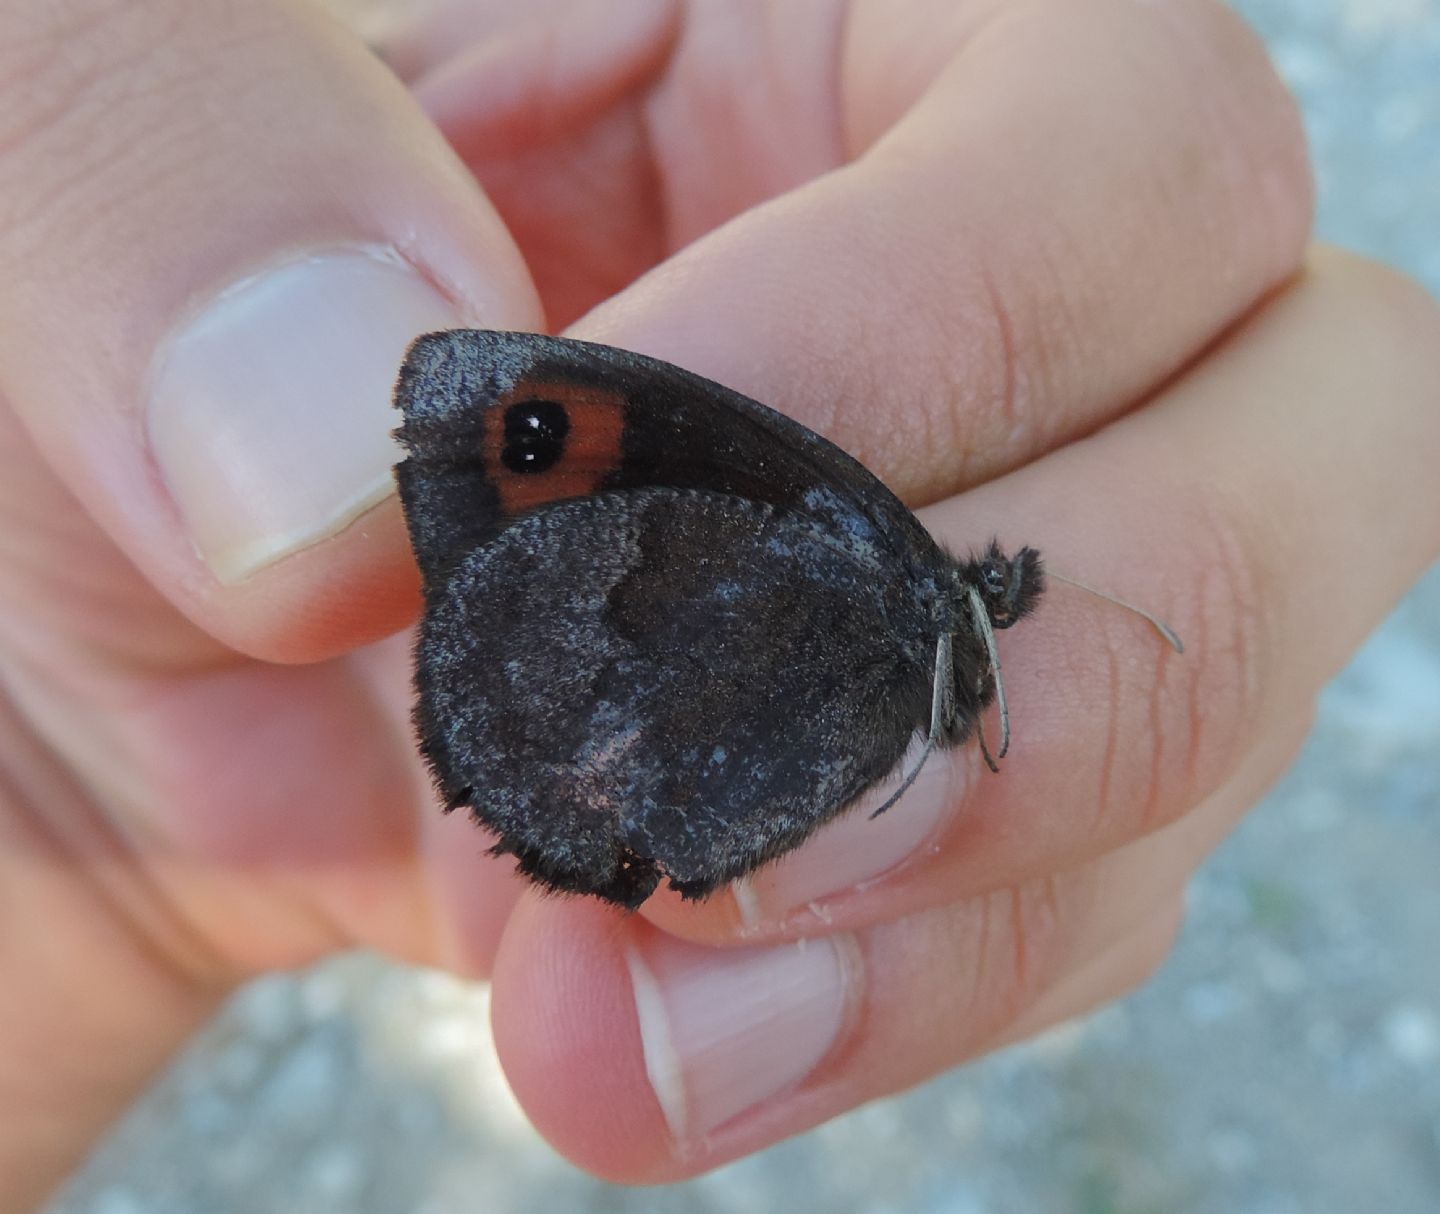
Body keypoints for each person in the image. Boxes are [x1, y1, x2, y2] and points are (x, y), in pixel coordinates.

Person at [1, 0, 1437, 1206]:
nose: (1002, 598)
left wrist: (78, 817)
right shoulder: (887, 567)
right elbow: (517, 433)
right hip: (548, 684)